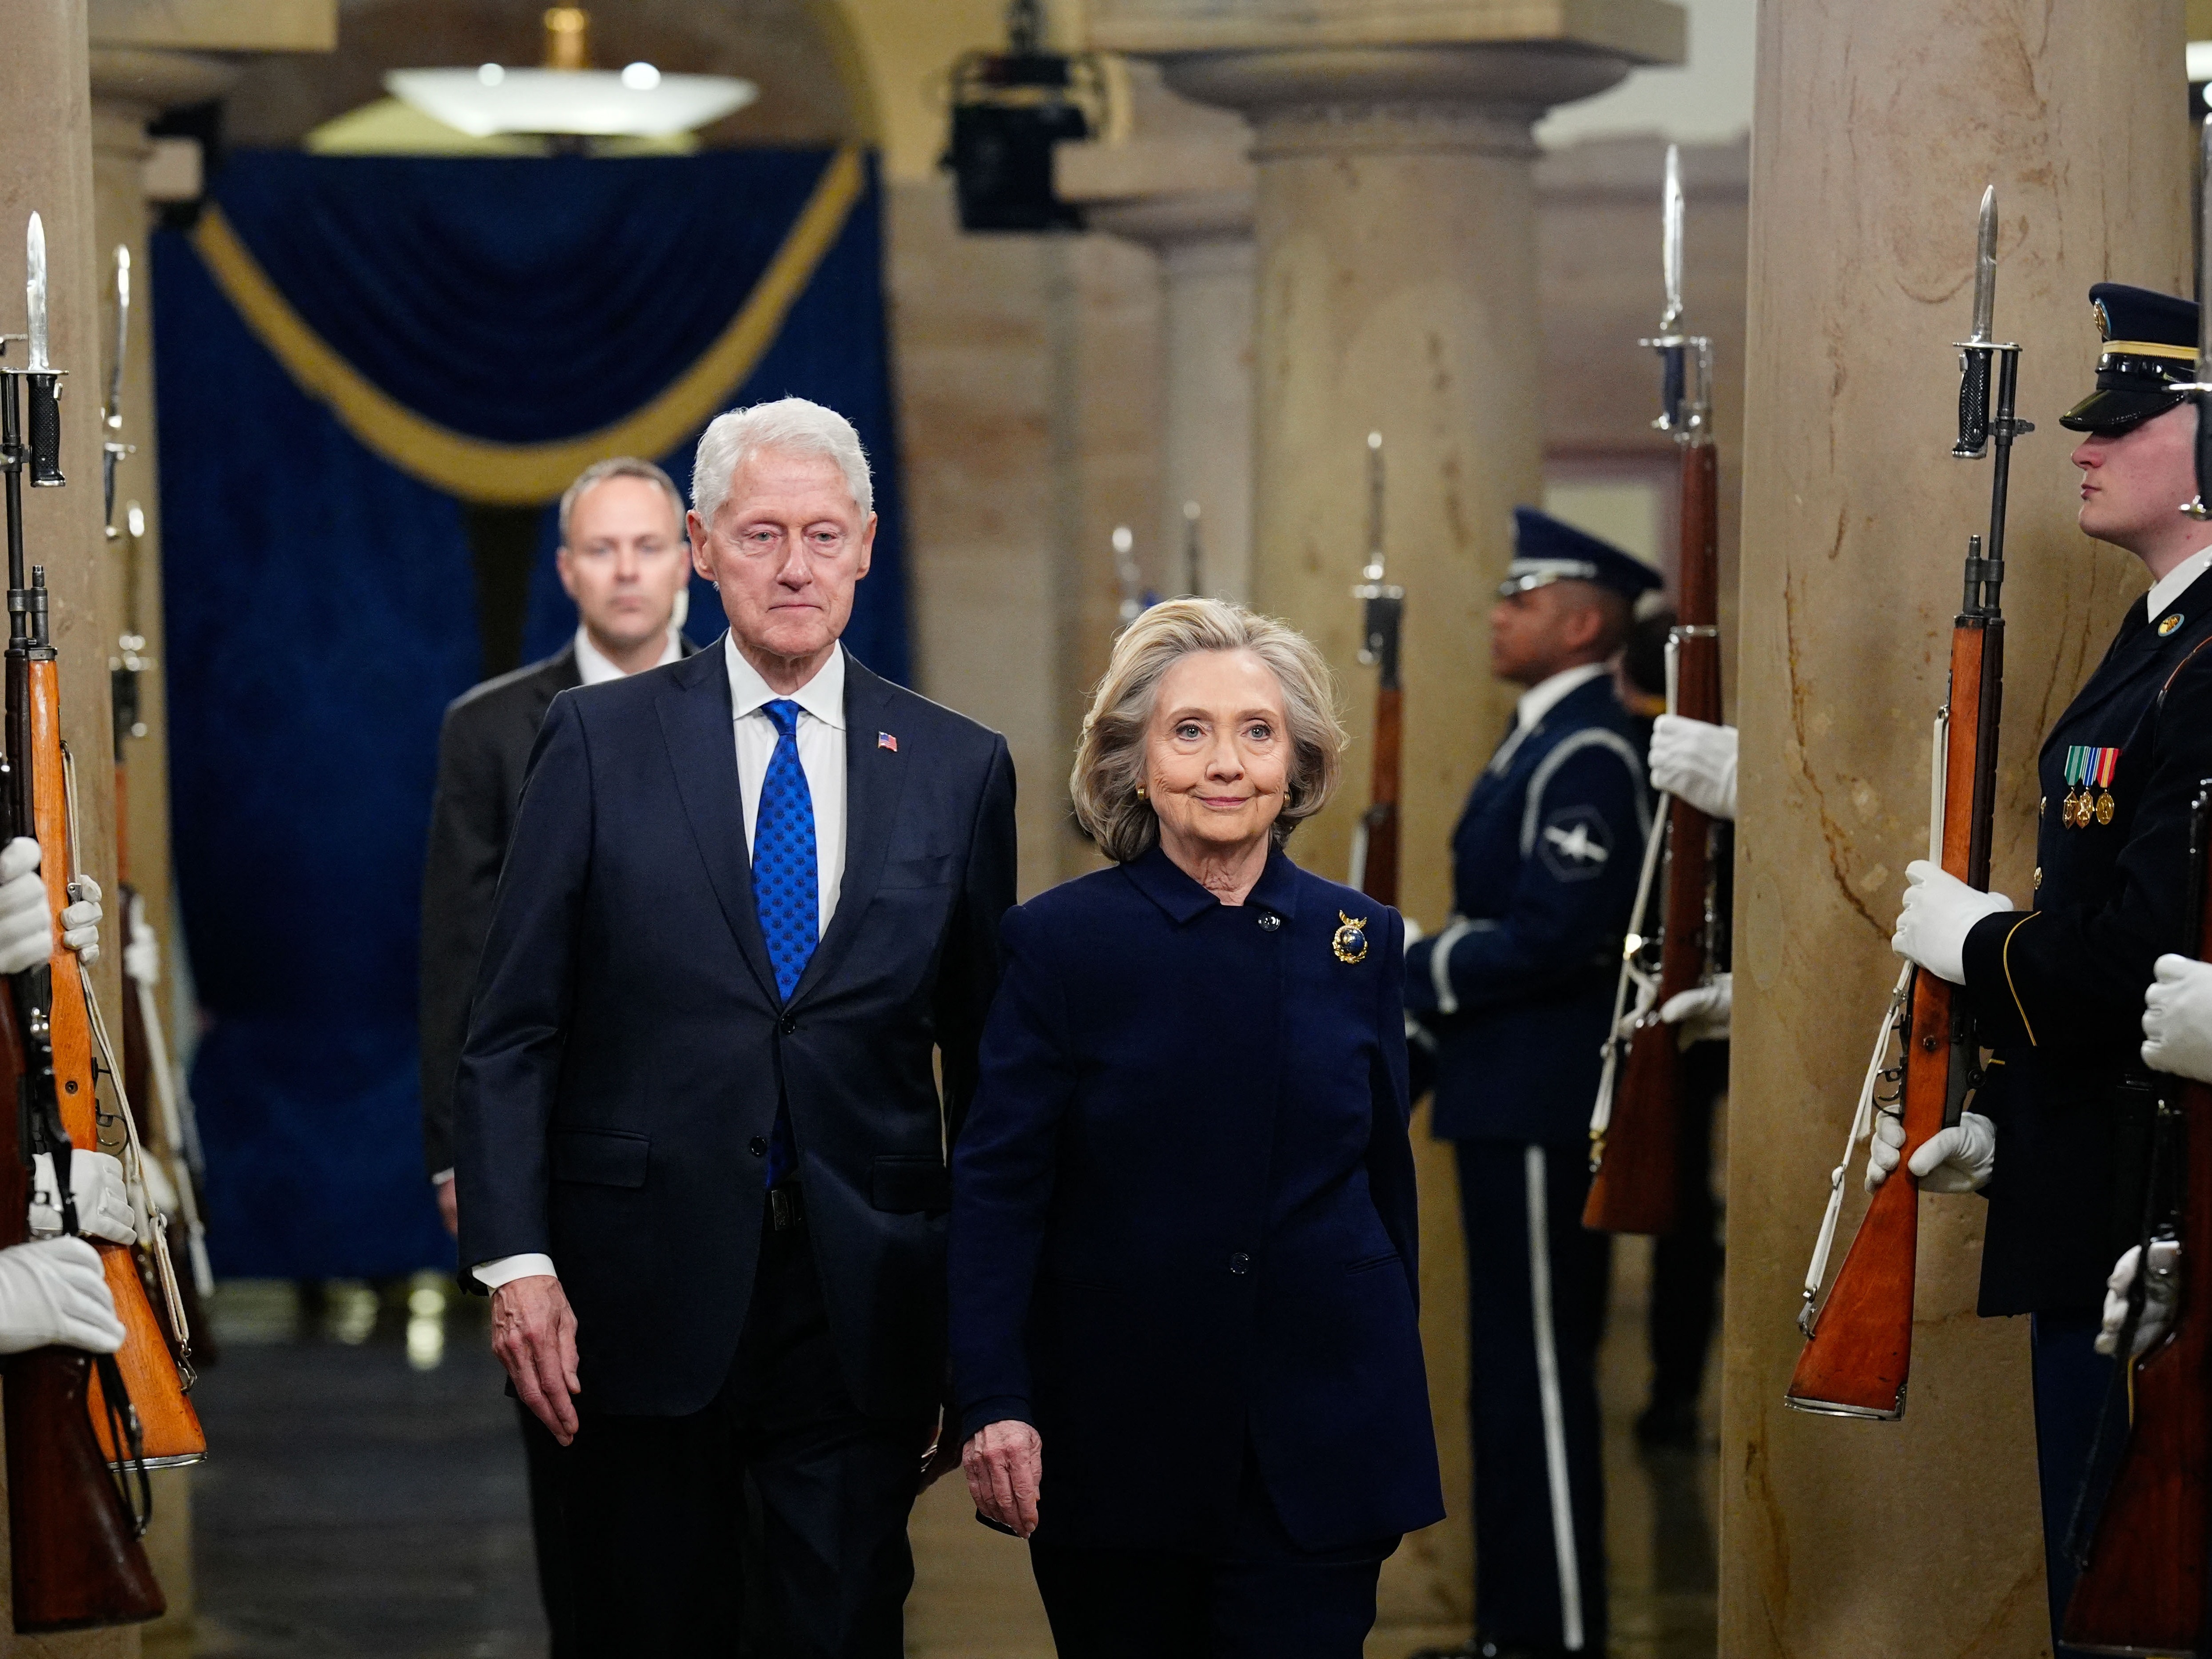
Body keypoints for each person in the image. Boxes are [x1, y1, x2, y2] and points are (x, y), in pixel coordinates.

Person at [454, 397, 1017, 1657]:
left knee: (840, 1628)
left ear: (869, 545)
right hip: (635, 1297)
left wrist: (988, 1342)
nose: (796, 566)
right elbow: (511, 1028)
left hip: (861, 1300)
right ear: (701, 547)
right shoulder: (593, 742)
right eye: (761, 535)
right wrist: (517, 1262)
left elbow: (991, 1079)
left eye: (825, 534)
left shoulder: (956, 767)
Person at [951, 598, 1442, 1659]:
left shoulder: (1361, 938)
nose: (1227, 763)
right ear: (1132, 761)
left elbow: (1382, 1183)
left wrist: (1381, 1374)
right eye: (1191, 731)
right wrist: (994, 1395)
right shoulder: (1060, 944)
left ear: (1298, 763)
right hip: (1119, 1438)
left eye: (1258, 732)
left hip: (1319, 1437)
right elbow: (998, 1190)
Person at [1880, 284, 2212, 1658]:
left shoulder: (2200, 666)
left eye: (2129, 424)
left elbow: (2140, 961)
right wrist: (2006, 1122)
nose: (2086, 446)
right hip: (2089, 1174)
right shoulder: (2159, 642)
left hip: (2154, 1201)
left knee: (2128, 1606)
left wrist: (1978, 944)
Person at [417, 454, 696, 1654]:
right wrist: (461, 1157)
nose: (628, 569)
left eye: (649, 545)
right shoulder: (492, 730)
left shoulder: (753, 716)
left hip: (712, 1128)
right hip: (557, 1143)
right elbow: (459, 956)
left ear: (688, 557)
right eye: (604, 548)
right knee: (575, 1438)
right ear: (567, 568)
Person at [1404, 509, 1658, 1659]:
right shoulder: (1539, 739)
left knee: (1544, 1387)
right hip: (1499, 1094)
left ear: (1583, 619)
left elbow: (1560, 936)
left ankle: (1556, 1639)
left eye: (1524, 595)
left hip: (1546, 1102)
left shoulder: (1592, 750)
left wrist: (1424, 959)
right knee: (1506, 1382)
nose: (1499, 611)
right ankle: (1516, 1631)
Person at [1618, 614, 1734, 1450]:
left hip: (1712, 992)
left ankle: (1674, 1393)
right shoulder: (1643, 750)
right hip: (1679, 995)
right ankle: (1672, 1392)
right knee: (1683, 1215)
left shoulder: (1643, 747)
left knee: (1692, 1217)